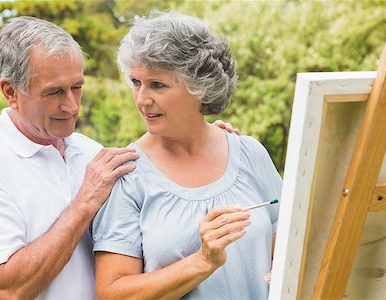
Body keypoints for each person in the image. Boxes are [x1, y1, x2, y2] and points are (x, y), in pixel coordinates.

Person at [0, 16, 238, 300]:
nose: (71, 106)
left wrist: (205, 138)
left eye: (77, 87)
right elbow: (8, 290)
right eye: (54, 92)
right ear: (10, 92)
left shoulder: (91, 152)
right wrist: (85, 202)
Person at [92, 11, 282, 299]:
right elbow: (113, 293)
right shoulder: (127, 176)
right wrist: (202, 261)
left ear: (200, 87)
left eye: (157, 84)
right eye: (135, 82)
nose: (142, 99)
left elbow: (289, 248)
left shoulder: (249, 153)